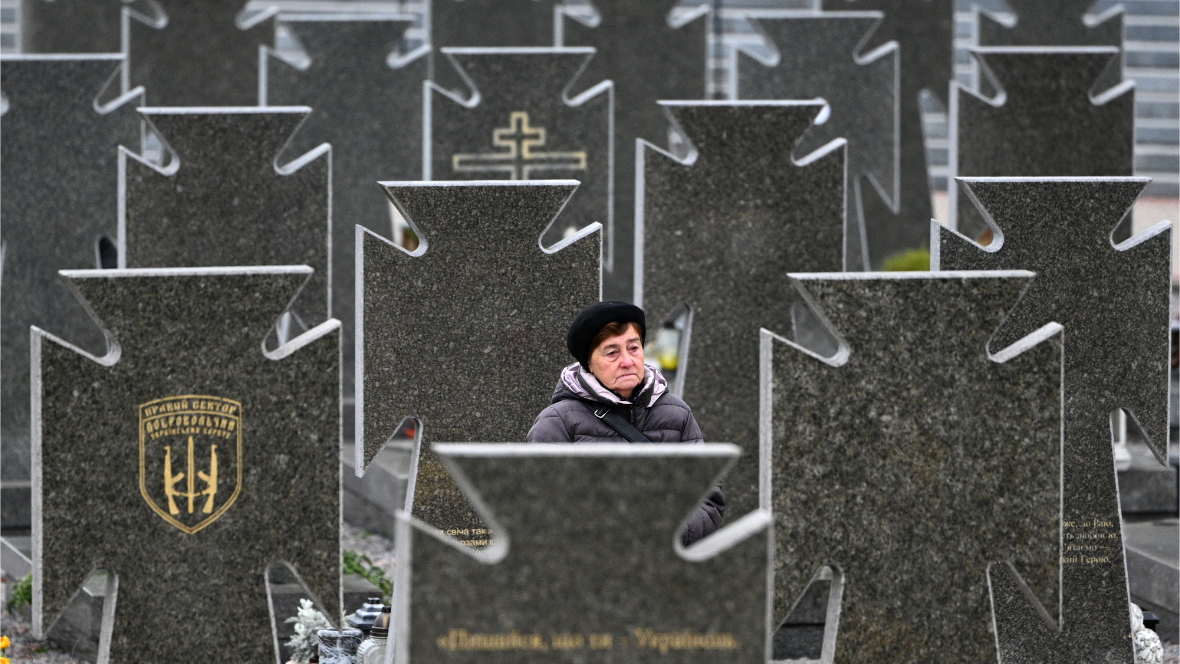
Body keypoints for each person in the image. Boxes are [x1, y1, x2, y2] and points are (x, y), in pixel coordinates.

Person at [526, 301, 724, 545]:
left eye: (634, 348)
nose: (627, 361)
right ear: (588, 362)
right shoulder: (557, 423)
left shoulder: (678, 414)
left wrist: (661, 533)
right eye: (612, 353)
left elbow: (708, 501)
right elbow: (539, 510)